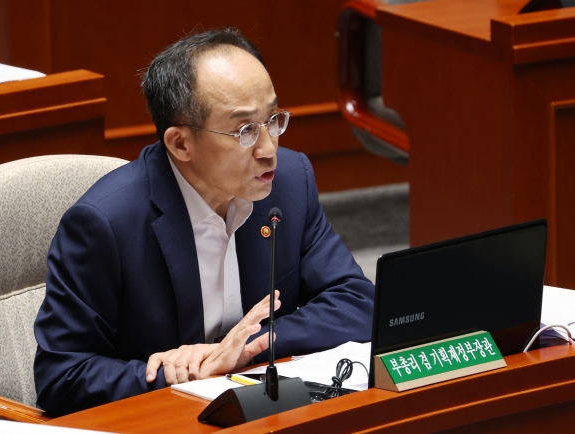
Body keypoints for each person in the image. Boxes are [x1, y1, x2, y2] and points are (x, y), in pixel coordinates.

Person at [34, 28, 374, 417]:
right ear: (181, 144)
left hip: (263, 412)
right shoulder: (105, 224)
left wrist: (246, 345)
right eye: (245, 130)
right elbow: (61, 376)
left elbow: (357, 302)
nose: (268, 150)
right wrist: (177, 374)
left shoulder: (289, 182)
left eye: (273, 119)